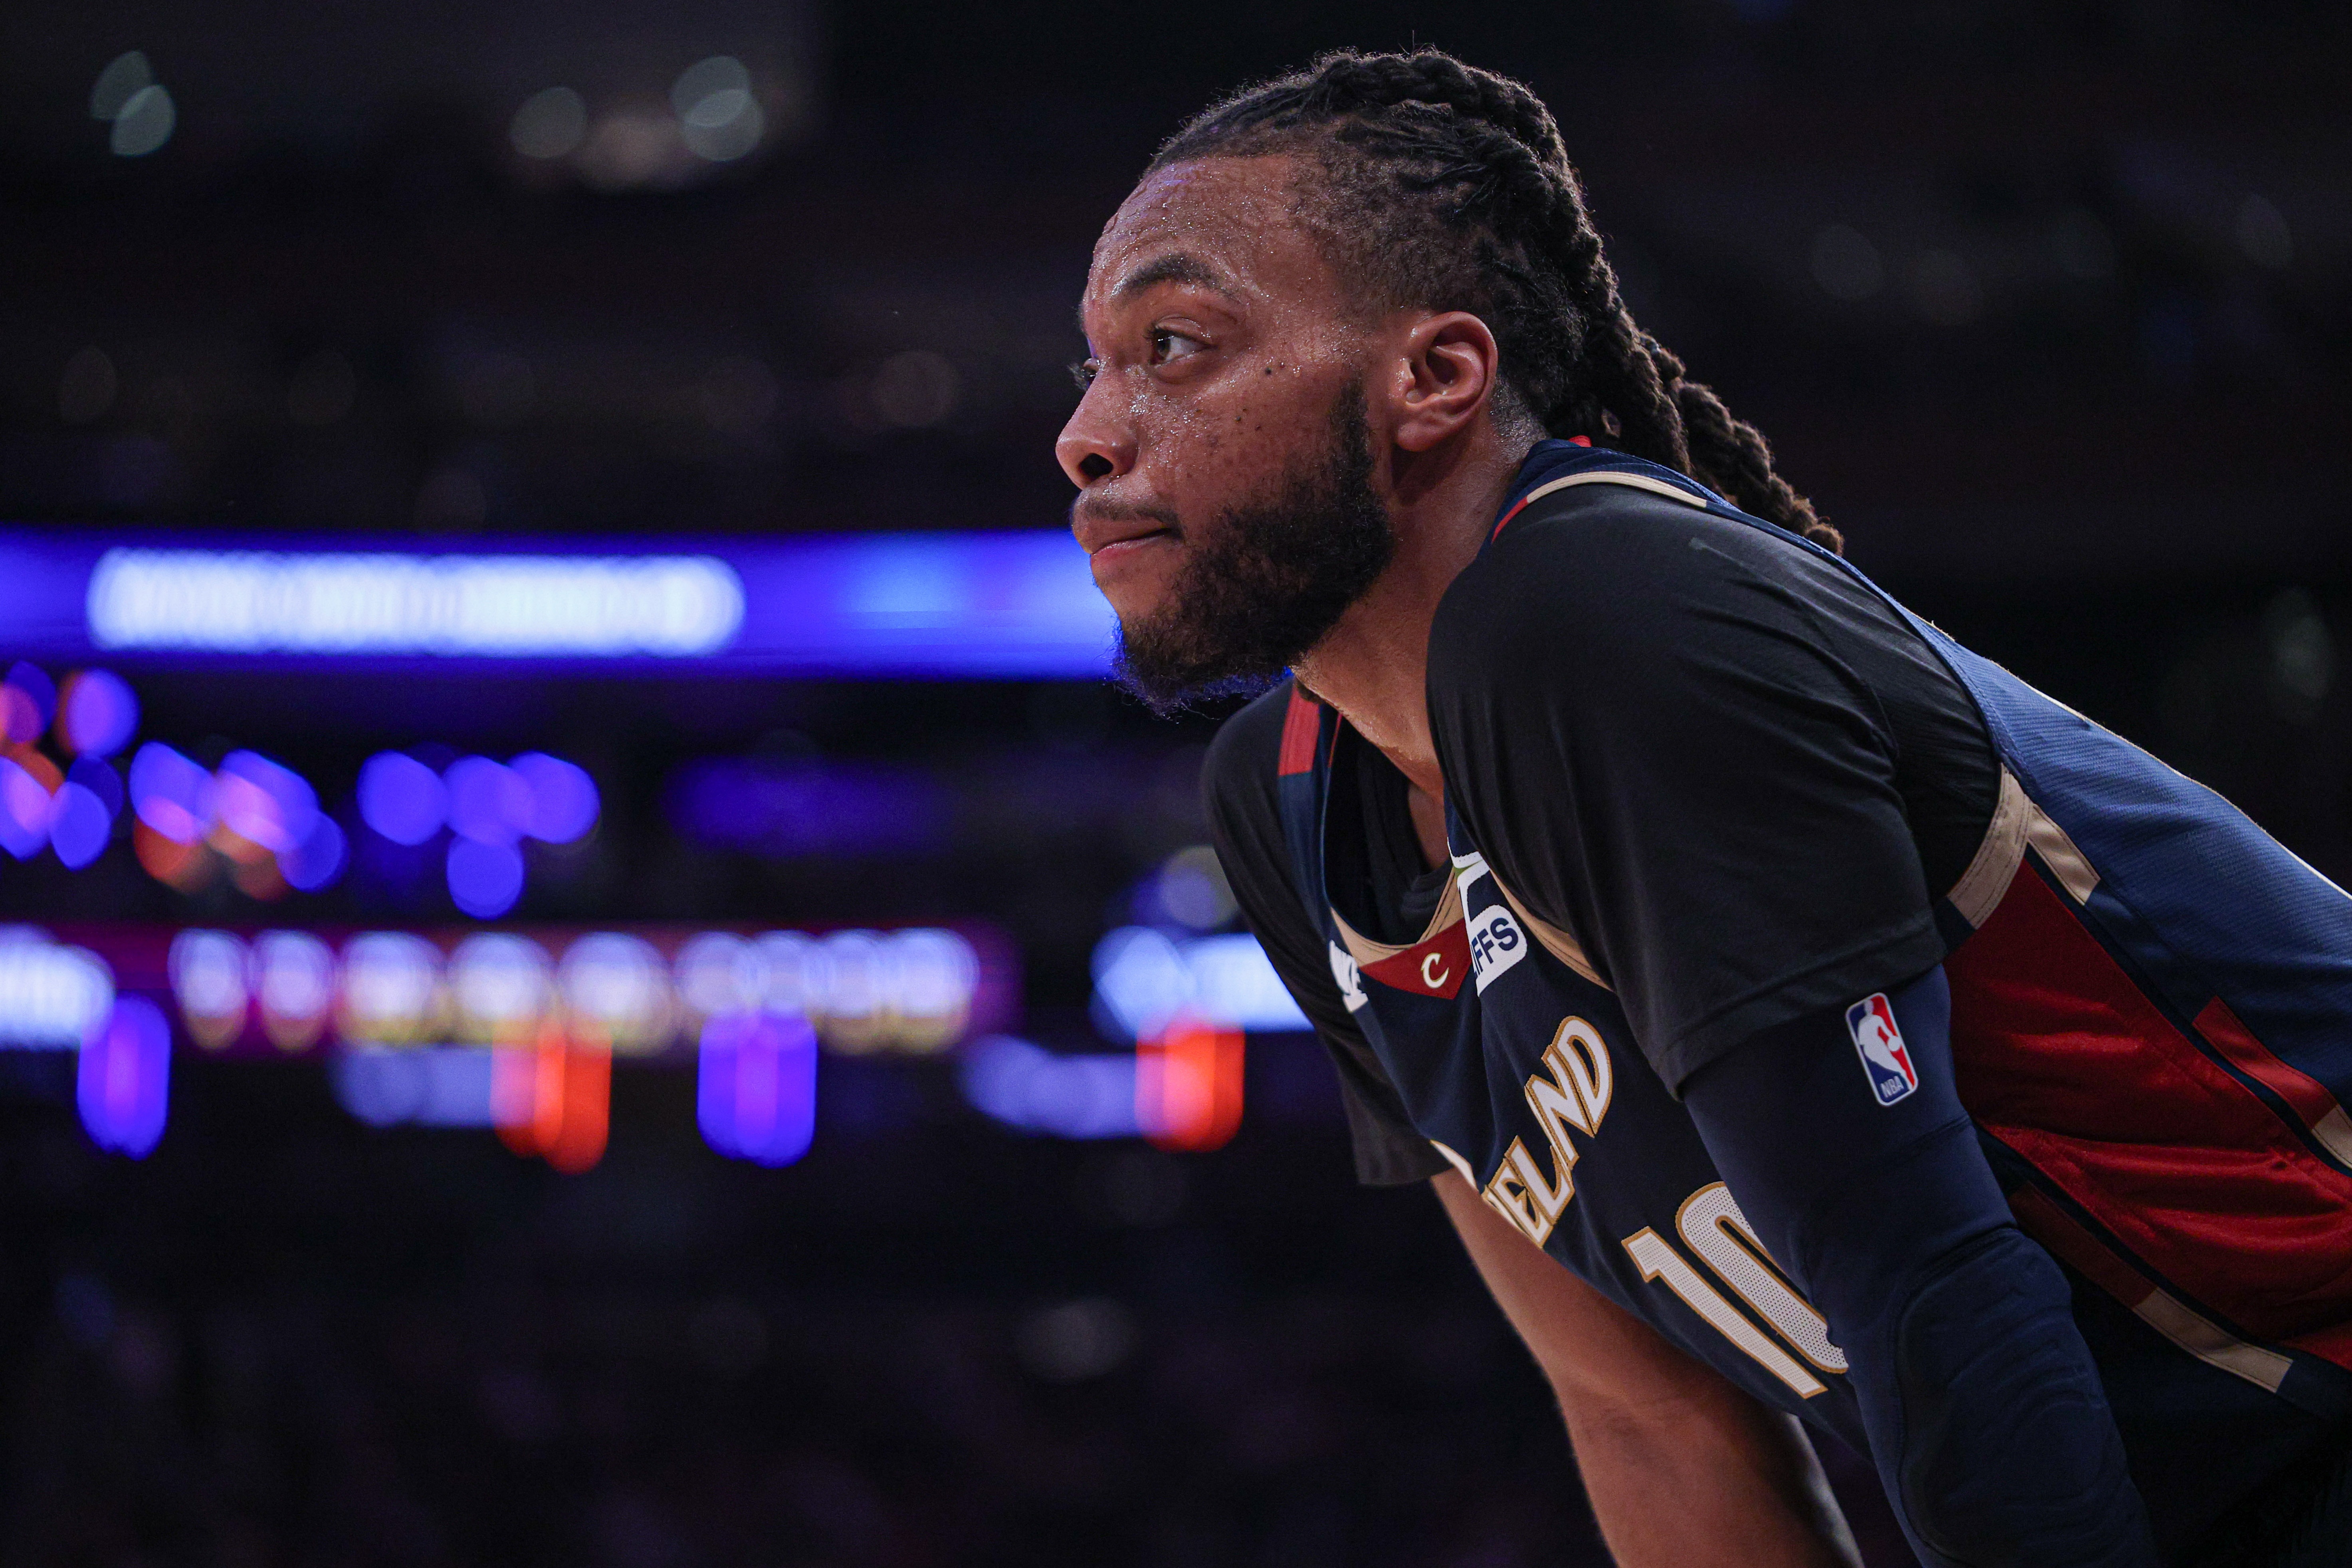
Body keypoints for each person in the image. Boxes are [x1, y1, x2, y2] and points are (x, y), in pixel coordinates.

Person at [1054, 48, 2352, 1568]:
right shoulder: (1281, 802)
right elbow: (1648, 1417)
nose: (1088, 434)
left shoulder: (1604, 611)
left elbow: (1927, 1278)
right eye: (1091, 368)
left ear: (1435, 378)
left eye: (1173, 346)